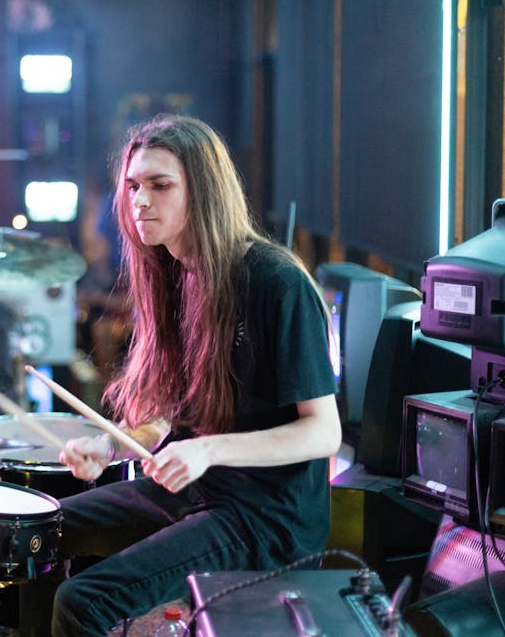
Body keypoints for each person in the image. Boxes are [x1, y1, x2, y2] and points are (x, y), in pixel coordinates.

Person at [48, 114, 341, 636]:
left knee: (82, 601)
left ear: (203, 192)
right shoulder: (176, 276)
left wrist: (208, 450)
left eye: (160, 186)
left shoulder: (278, 283)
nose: (140, 200)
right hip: (201, 492)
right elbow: (170, 419)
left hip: (266, 518)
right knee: (41, 530)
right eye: (134, 185)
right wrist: (112, 446)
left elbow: (324, 432)